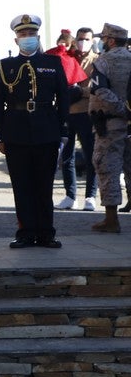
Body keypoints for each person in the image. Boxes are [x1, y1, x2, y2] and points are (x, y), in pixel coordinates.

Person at [0, 14, 69, 248]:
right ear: (16, 40)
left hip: (46, 130)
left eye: (31, 34)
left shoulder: (53, 63)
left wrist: (62, 130)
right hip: (16, 132)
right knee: (22, 185)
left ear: (38, 37)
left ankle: (46, 232)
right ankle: (26, 232)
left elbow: (63, 98)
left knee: (44, 185)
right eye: (23, 35)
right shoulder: (6, 66)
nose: (28, 38)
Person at [89, 23, 131, 233]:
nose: (102, 43)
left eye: (104, 39)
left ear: (111, 40)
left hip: (112, 123)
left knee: (107, 167)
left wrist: (122, 110)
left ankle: (111, 219)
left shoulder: (104, 61)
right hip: (127, 123)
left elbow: (100, 90)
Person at [56, 27, 99, 212]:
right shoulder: (68, 57)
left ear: (92, 40)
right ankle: (70, 196)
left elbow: (99, 88)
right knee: (67, 156)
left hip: (86, 112)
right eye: (80, 38)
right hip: (66, 112)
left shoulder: (98, 61)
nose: (83, 42)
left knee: (91, 156)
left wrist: (80, 91)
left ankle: (90, 196)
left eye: (87, 39)